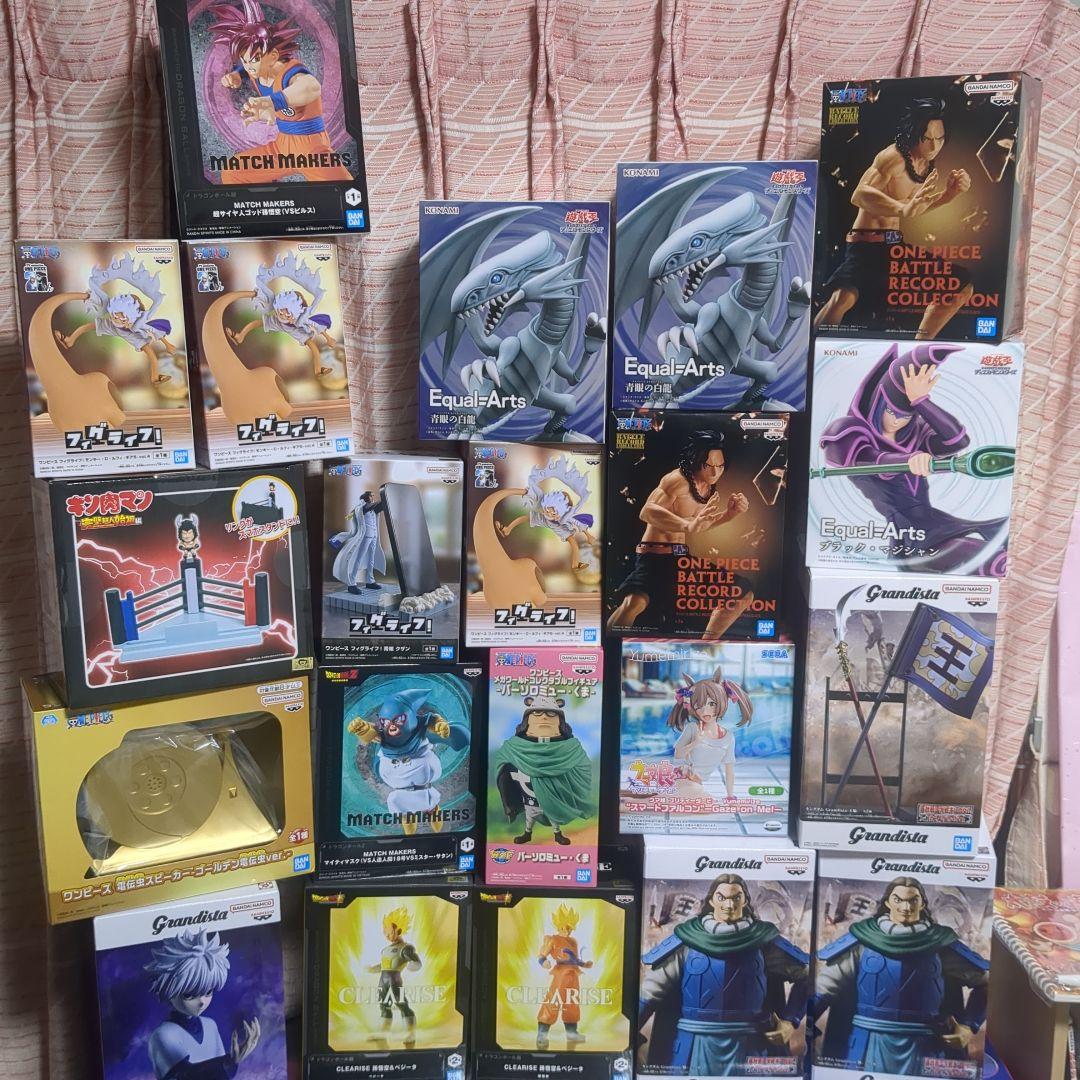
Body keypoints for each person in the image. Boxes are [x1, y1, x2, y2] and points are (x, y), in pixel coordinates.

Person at [814, 97, 972, 339]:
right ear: (914, 133)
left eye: (940, 139)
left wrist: (948, 195)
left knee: (960, 286)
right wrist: (902, 208)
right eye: (927, 138)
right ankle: (808, 350)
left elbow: (914, 209)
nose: (934, 146)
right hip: (866, 247)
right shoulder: (894, 157)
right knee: (842, 299)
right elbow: (859, 195)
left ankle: (918, 348)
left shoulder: (926, 165)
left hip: (895, 247)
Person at [815, 876, 988, 1074]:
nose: (906, 907)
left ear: (922, 903)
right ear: (888, 902)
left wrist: (968, 1026)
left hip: (926, 1043)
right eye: (898, 900)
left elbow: (985, 984)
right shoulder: (863, 940)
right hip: (869, 1041)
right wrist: (800, 1020)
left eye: (913, 900)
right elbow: (824, 987)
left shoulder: (940, 943)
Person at [639, 874, 809, 1075]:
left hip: (751, 1043)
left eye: (736, 898)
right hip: (695, 1045)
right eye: (722, 897)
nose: (729, 904)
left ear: (745, 901)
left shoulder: (764, 941)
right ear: (712, 901)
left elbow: (807, 976)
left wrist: (790, 1021)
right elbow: (649, 993)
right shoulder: (686, 941)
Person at [607, 430, 751, 638]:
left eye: (720, 466)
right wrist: (686, 525)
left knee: (742, 591)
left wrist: (729, 515)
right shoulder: (677, 480)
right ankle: (609, 648)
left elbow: (698, 526)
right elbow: (647, 511)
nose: (715, 472)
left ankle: (705, 646)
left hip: (681, 559)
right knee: (634, 604)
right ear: (696, 460)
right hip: (655, 557)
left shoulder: (707, 488)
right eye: (708, 466)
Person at [209, 0, 354, 184]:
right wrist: (237, 74)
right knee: (233, 172)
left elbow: (311, 86)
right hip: (282, 146)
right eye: (244, 60)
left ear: (273, 56)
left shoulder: (290, 72)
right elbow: (248, 67)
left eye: (255, 59)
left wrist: (273, 102)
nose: (249, 66)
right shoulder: (257, 70)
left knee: (344, 189)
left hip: (311, 148)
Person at [145, 929, 261, 1079]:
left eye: (208, 992)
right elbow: (185, 1076)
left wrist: (232, 1062)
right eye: (189, 995)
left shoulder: (210, 1025)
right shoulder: (163, 1035)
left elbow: (222, 1076)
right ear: (169, 990)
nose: (201, 1001)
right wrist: (229, 1061)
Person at [667, 666, 753, 803]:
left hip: (696, 785)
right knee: (703, 800)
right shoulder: (692, 728)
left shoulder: (728, 737)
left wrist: (730, 796)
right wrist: (695, 742)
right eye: (698, 706)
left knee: (702, 799)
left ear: (722, 702)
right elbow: (678, 755)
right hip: (681, 779)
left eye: (711, 704)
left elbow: (729, 770)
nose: (705, 711)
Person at [536, 904, 592, 1049]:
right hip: (560, 973)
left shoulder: (573, 941)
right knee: (553, 1001)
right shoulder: (552, 939)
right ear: (559, 926)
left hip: (573, 974)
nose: (567, 930)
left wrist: (584, 964)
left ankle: (572, 1033)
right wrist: (544, 962)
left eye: (570, 928)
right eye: (564, 927)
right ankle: (542, 1034)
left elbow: (574, 959)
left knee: (572, 1003)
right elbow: (542, 955)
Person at [367, 907, 422, 1047]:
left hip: (395, 981)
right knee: (384, 1006)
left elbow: (416, 962)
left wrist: (412, 966)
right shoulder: (385, 949)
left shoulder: (406, 948)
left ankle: (410, 1034)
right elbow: (383, 966)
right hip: (383, 981)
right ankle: (381, 1033)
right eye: (385, 931)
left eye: (389, 931)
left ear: (399, 930)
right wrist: (372, 969)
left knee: (402, 1005)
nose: (386, 934)